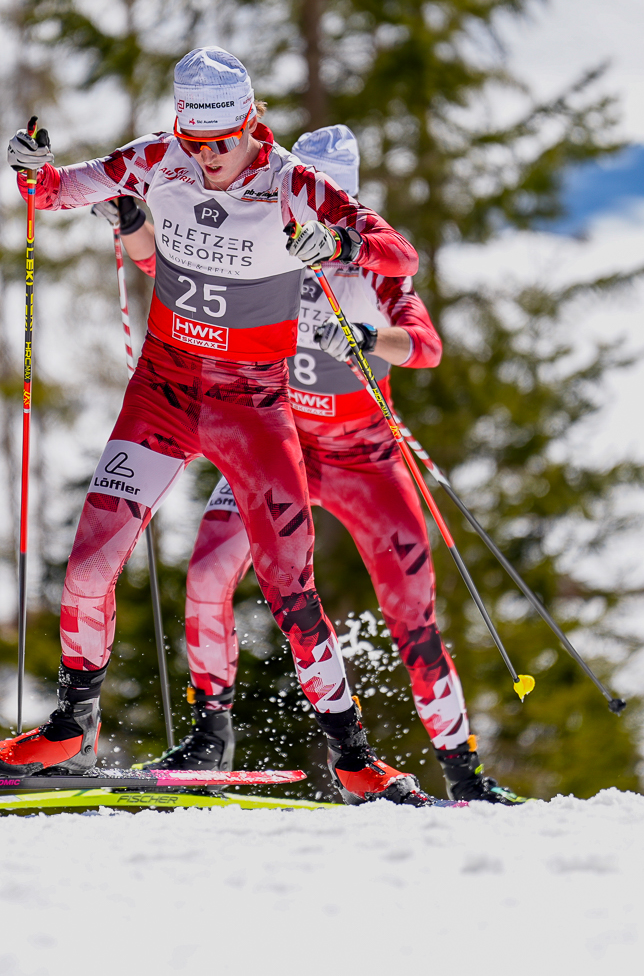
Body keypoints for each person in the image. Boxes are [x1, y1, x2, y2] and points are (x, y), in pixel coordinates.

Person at [0, 47, 430, 803]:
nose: (210, 157)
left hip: (250, 407)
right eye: (197, 141)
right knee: (88, 564)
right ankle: (71, 727)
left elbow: (398, 250)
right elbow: (56, 190)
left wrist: (340, 242)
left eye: (223, 140)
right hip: (162, 392)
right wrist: (32, 169)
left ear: (251, 123)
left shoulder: (293, 181)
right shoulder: (160, 157)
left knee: (289, 586)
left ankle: (354, 758)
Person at [127, 126, 525, 804]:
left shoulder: (374, 265)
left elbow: (425, 345)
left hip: (365, 459)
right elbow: (166, 272)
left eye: (327, 199)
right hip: (277, 445)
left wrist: (370, 338)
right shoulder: (261, 242)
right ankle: (210, 737)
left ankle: (465, 776)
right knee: (208, 573)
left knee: (413, 617)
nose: (307, 212)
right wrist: (133, 222)